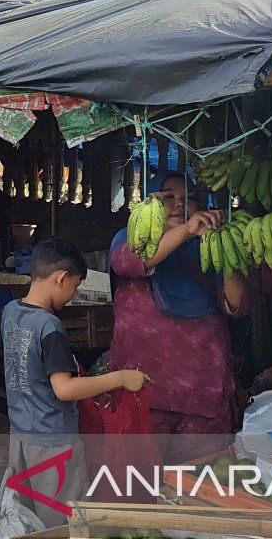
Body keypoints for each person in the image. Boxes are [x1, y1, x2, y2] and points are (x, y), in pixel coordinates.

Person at [1, 238, 149, 529]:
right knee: (64, 525)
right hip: (53, 442)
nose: (74, 293)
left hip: (20, 436)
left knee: (28, 519)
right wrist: (120, 378)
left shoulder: (10, 311)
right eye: (76, 285)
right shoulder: (49, 326)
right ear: (61, 278)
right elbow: (64, 389)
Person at [108, 172, 247, 463]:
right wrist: (185, 231)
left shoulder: (209, 248)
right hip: (144, 392)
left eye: (188, 199)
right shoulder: (129, 238)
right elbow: (135, 260)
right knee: (137, 483)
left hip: (204, 394)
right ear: (151, 203)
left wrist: (228, 251)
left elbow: (236, 306)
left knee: (200, 486)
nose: (178, 205)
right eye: (167, 197)